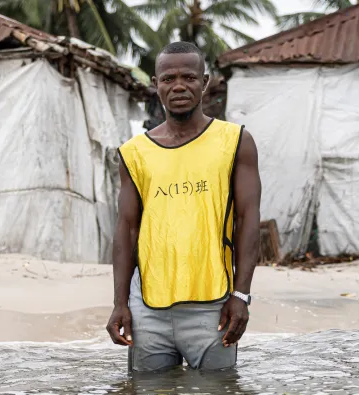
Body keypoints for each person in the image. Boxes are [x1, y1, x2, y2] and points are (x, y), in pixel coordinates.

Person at [105, 41, 262, 373]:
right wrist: (120, 303)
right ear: (156, 84)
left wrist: (241, 295)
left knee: (218, 389)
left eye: (189, 77)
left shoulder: (235, 141)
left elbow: (248, 219)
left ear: (204, 83)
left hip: (214, 307)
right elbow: (127, 229)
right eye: (168, 78)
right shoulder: (134, 153)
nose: (178, 86)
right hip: (148, 309)